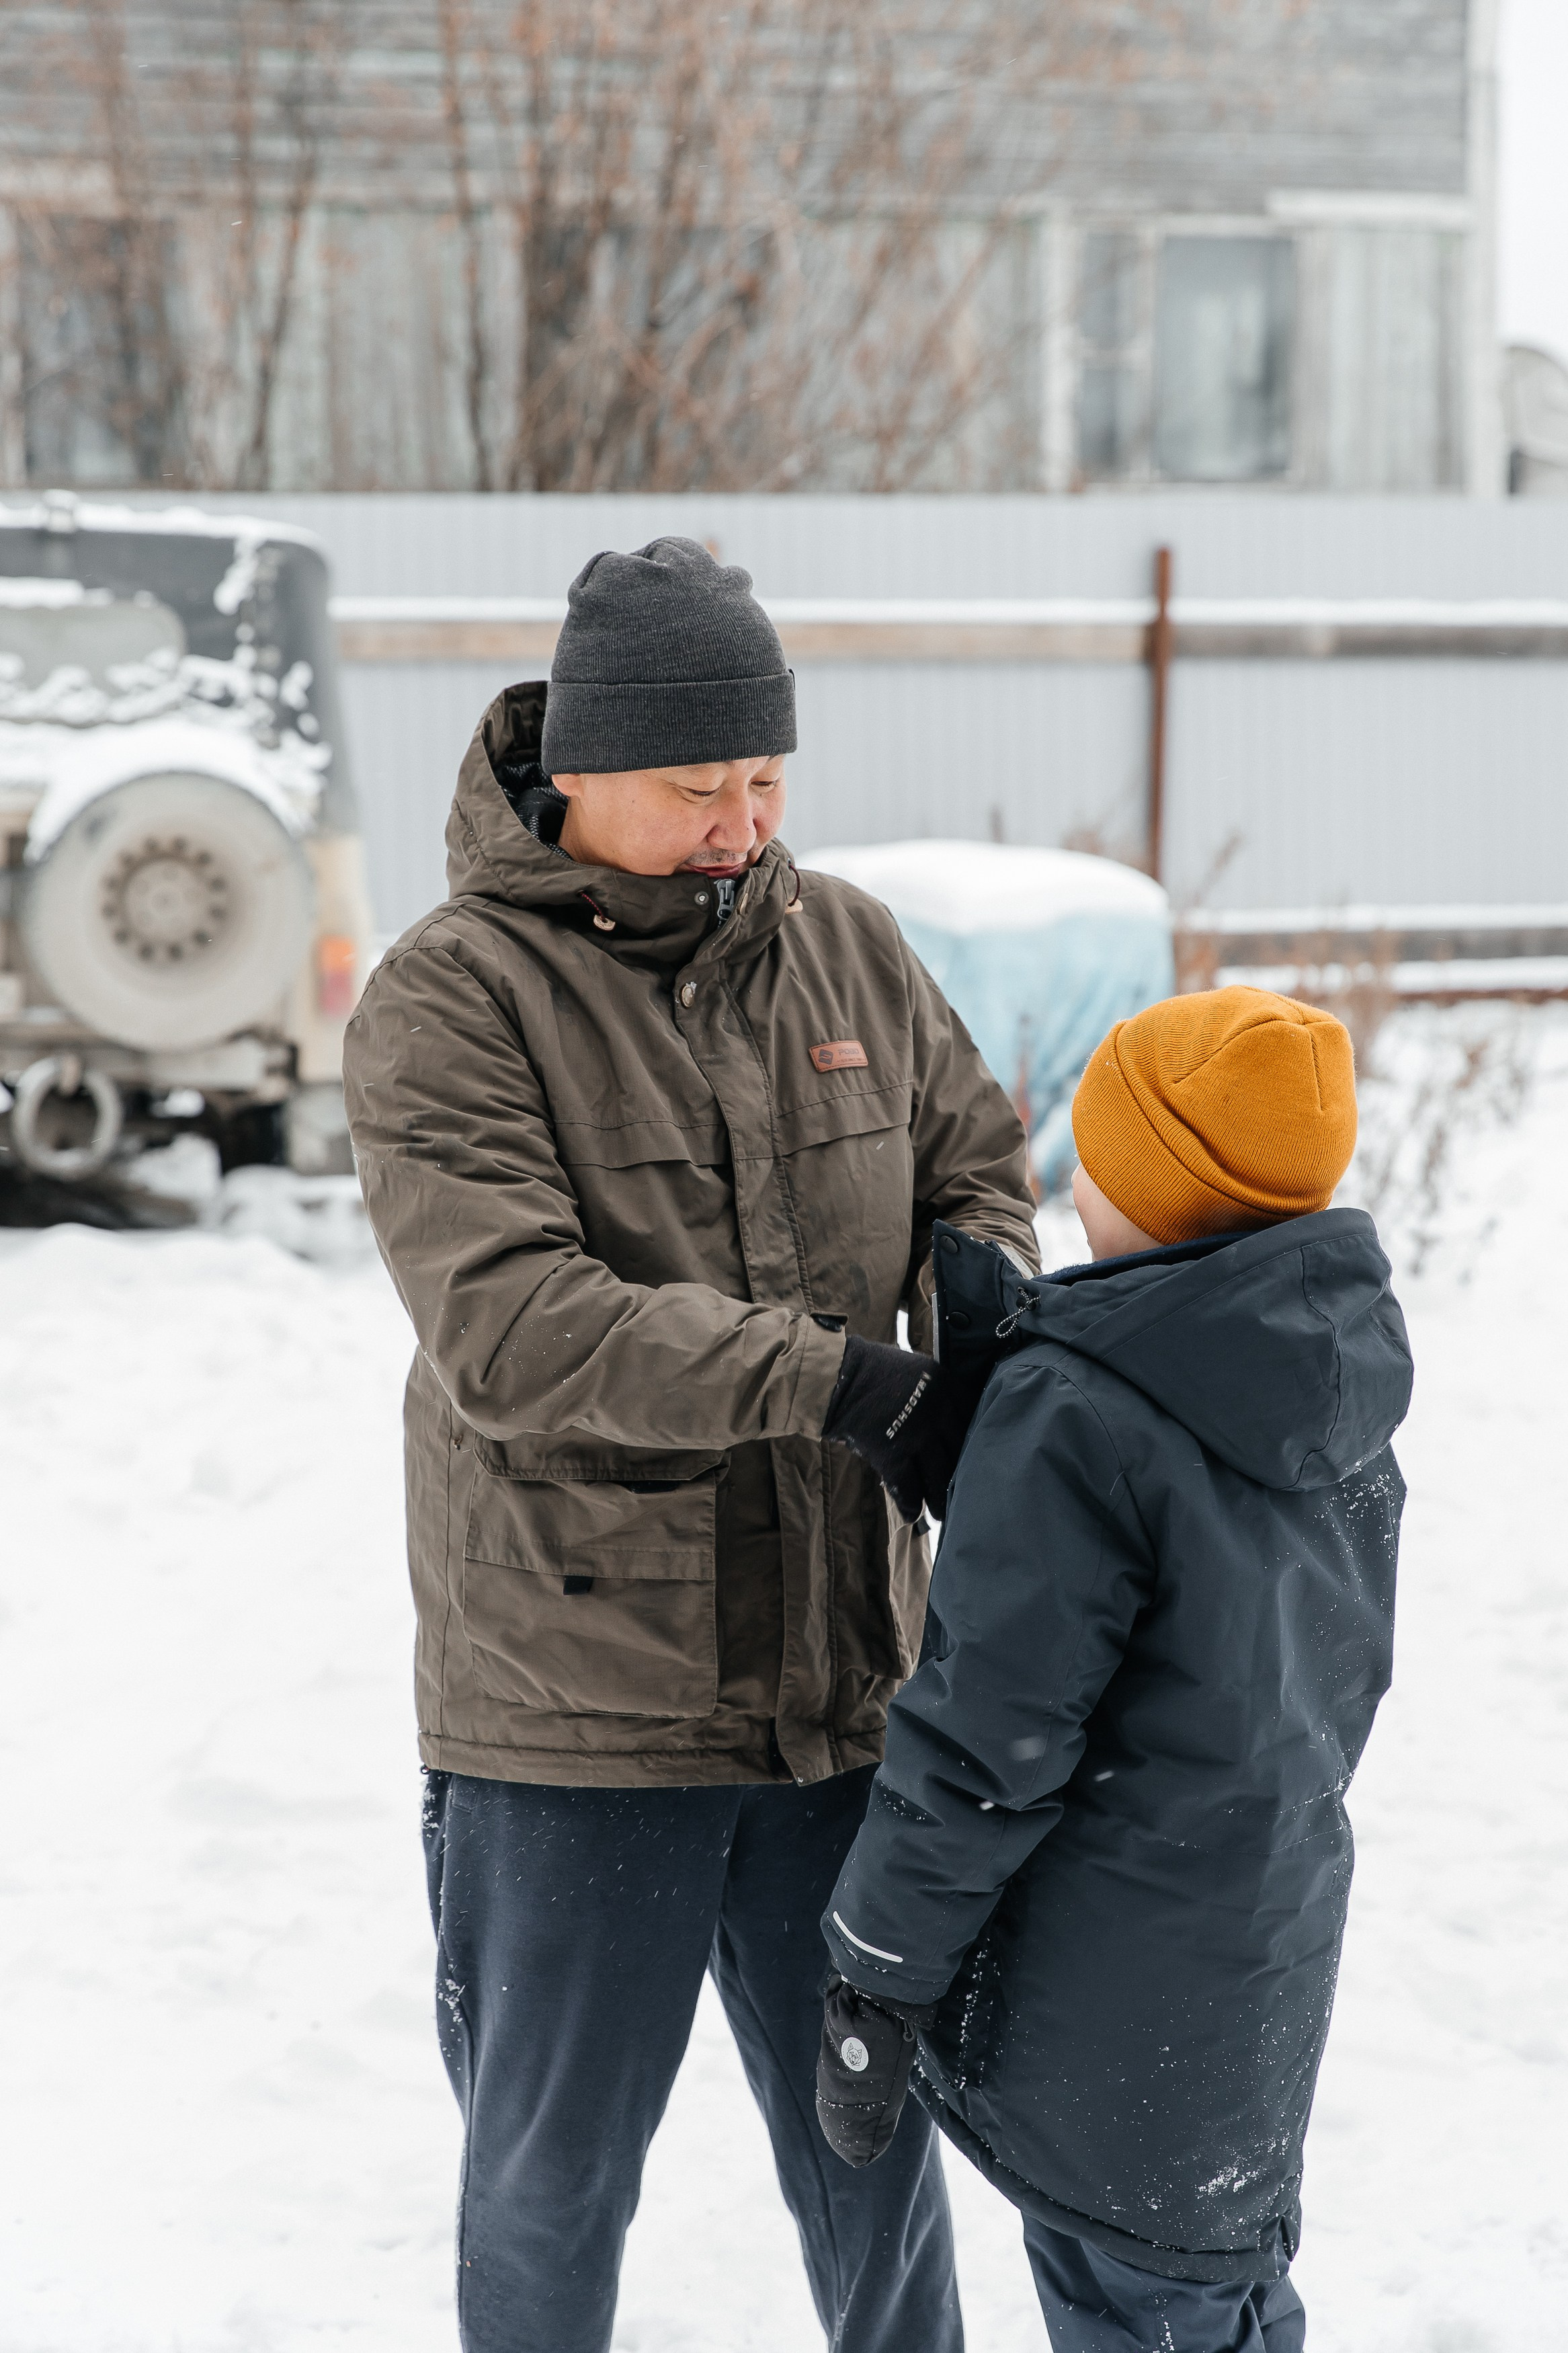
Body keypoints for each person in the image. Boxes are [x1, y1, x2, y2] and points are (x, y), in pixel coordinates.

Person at [342, 536, 1038, 2353]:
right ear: (575, 769)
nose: (741, 823)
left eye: (764, 779)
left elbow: (973, 1147)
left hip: (837, 1693)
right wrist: (840, 1381)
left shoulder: (847, 945)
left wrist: (977, 1271)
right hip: (577, 1712)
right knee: (554, 2180)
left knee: (874, 2165)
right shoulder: (453, 996)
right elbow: (511, 1325)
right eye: (694, 786)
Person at [815, 986, 1415, 2353]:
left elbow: (986, 1739)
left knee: (1139, 2303)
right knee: (1216, 2293)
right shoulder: (1331, 1370)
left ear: (1153, 1183)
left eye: (1098, 1151)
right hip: (1253, 1946)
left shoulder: (1080, 1408)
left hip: (1104, 1992)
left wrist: (876, 1967)